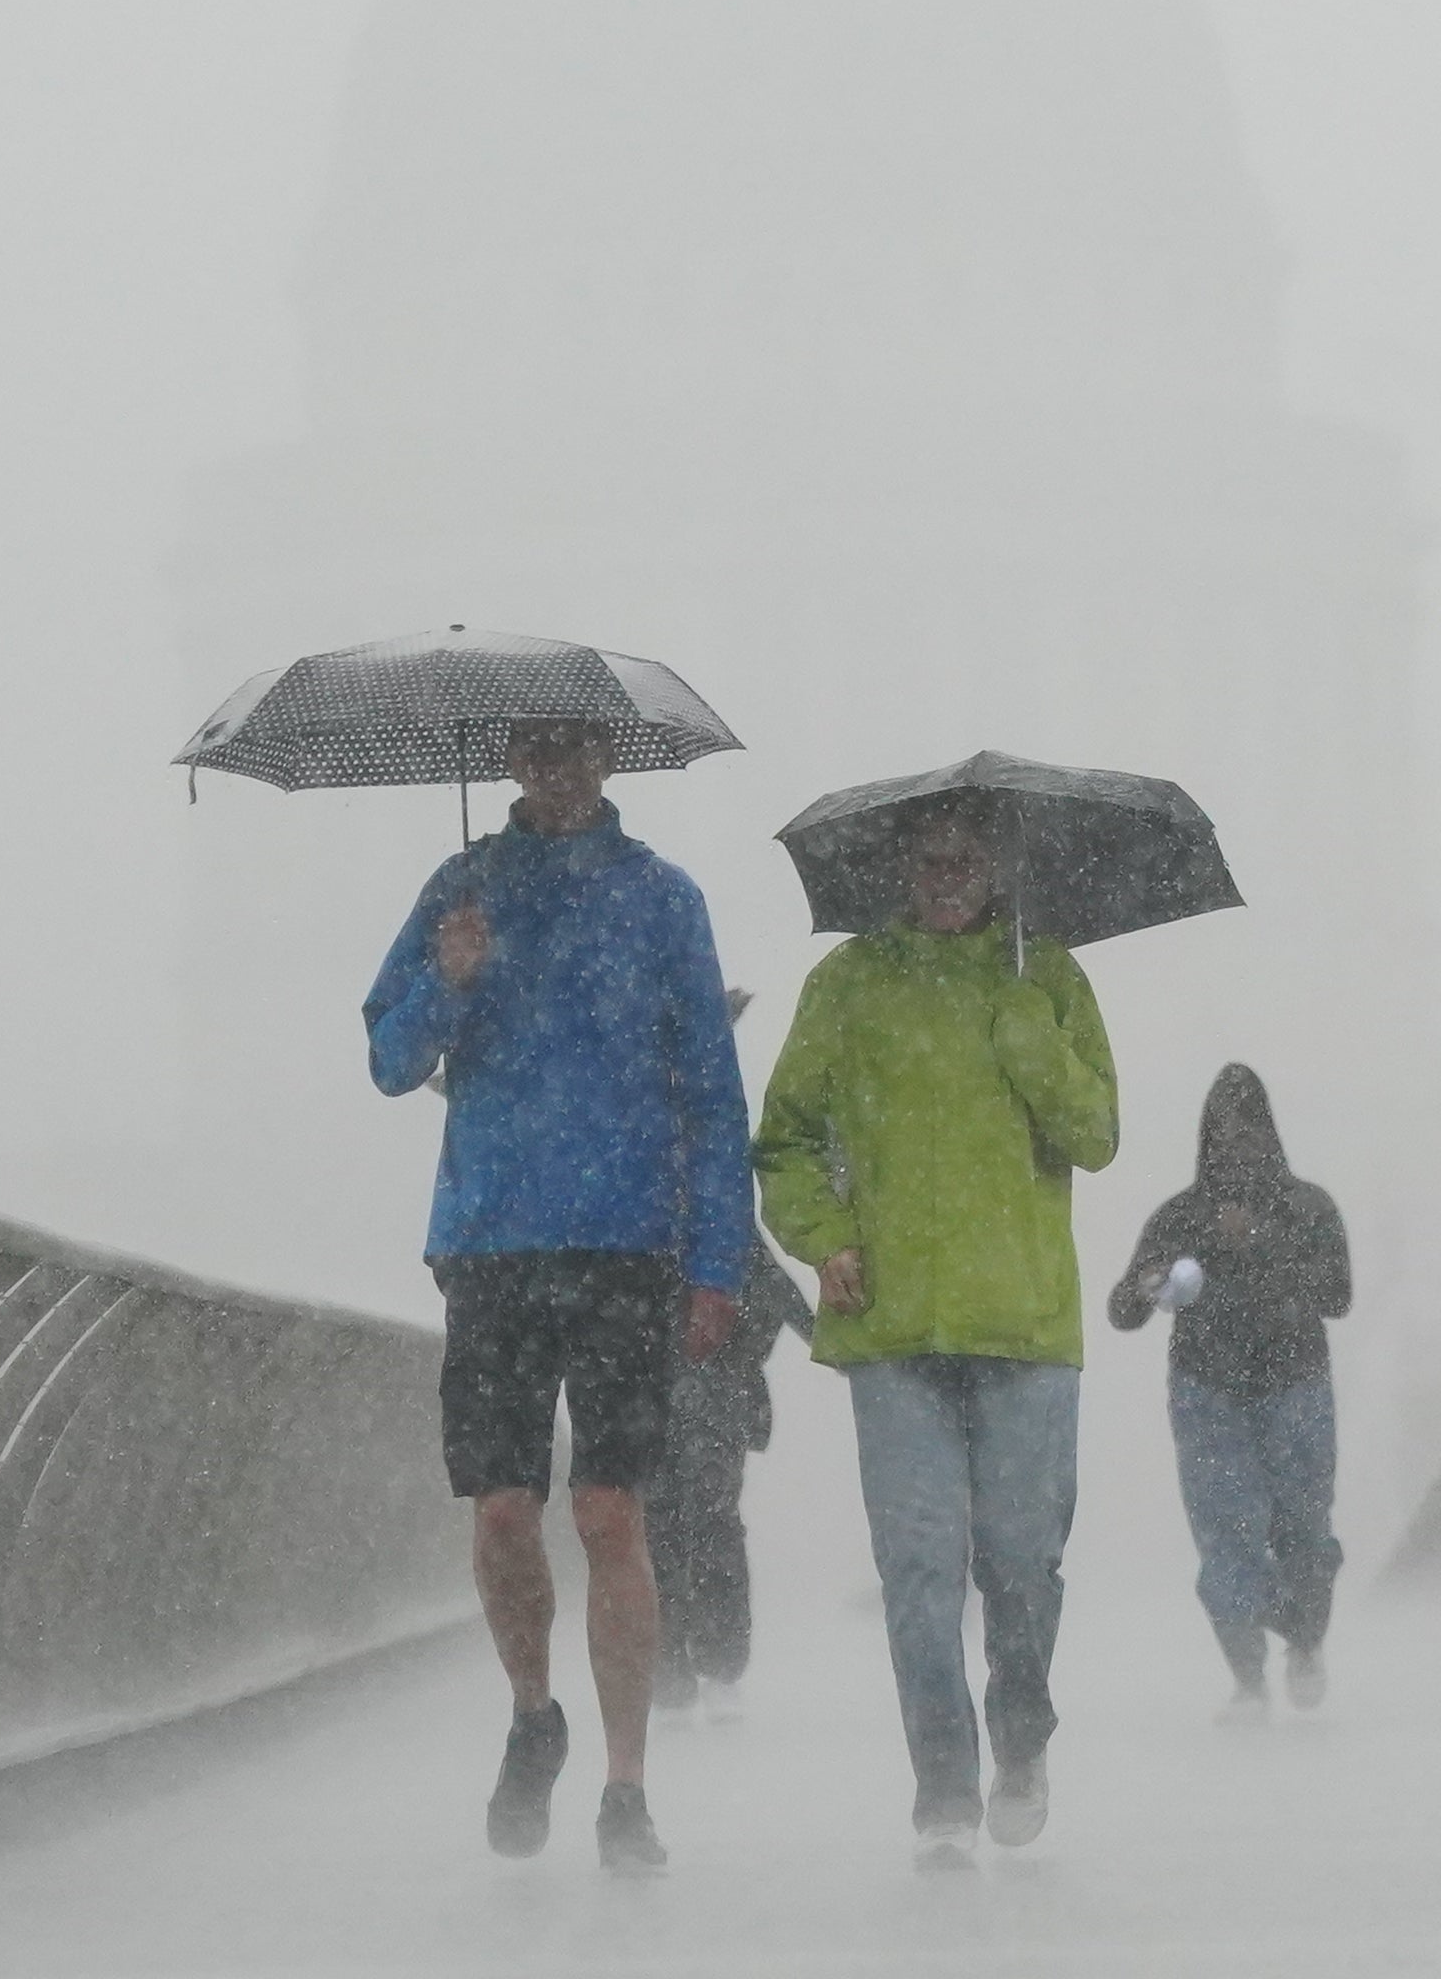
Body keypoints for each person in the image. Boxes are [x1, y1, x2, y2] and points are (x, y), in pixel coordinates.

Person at [363, 717, 755, 1874]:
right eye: (535, 747)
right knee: (499, 1507)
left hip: (628, 1240)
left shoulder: (663, 899)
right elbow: (388, 1056)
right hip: (490, 1238)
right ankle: (535, 1711)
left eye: (574, 745)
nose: (556, 765)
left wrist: (716, 1261)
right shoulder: (463, 887)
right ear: (509, 759)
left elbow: (715, 1099)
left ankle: (626, 1784)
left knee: (609, 1511)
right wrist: (449, 977)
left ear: (607, 755)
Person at [755, 801, 1118, 1866]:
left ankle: (1020, 1735)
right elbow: (780, 1139)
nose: (950, 874)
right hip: (893, 1325)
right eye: (932, 858)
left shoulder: (1045, 977)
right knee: (917, 1569)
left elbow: (1095, 1133)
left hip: (1027, 1322)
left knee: (1021, 1565)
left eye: (970, 856)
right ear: (900, 868)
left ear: (1003, 866)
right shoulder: (850, 983)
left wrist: (1026, 1036)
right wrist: (822, 1237)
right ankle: (945, 1786)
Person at [1110, 1066, 1352, 1713]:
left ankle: (1303, 1640)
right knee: (1225, 1534)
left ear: (1271, 1137)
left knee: (1304, 1529)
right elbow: (1122, 1311)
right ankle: (1248, 1679)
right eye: (1226, 1138)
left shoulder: (1308, 1209)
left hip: (1295, 1383)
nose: (1238, 1151)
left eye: (1250, 1136)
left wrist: (1262, 1246)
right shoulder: (1180, 1217)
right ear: (1207, 1141)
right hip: (1207, 1391)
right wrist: (1146, 1283)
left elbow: (1338, 1296)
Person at [643, 1235, 816, 1714]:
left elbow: (772, 1286)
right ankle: (705, 1666)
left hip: (674, 1388)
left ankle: (683, 1668)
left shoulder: (662, 1214)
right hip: (708, 1391)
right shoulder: (717, 1217)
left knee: (671, 1525)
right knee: (700, 1523)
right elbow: (775, 1288)